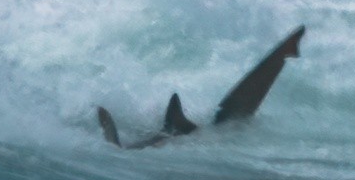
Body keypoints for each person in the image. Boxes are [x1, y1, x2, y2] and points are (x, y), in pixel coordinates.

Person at [99, 26, 305, 149]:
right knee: (228, 122)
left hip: (176, 141)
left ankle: (279, 56)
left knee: (228, 122)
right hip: (184, 139)